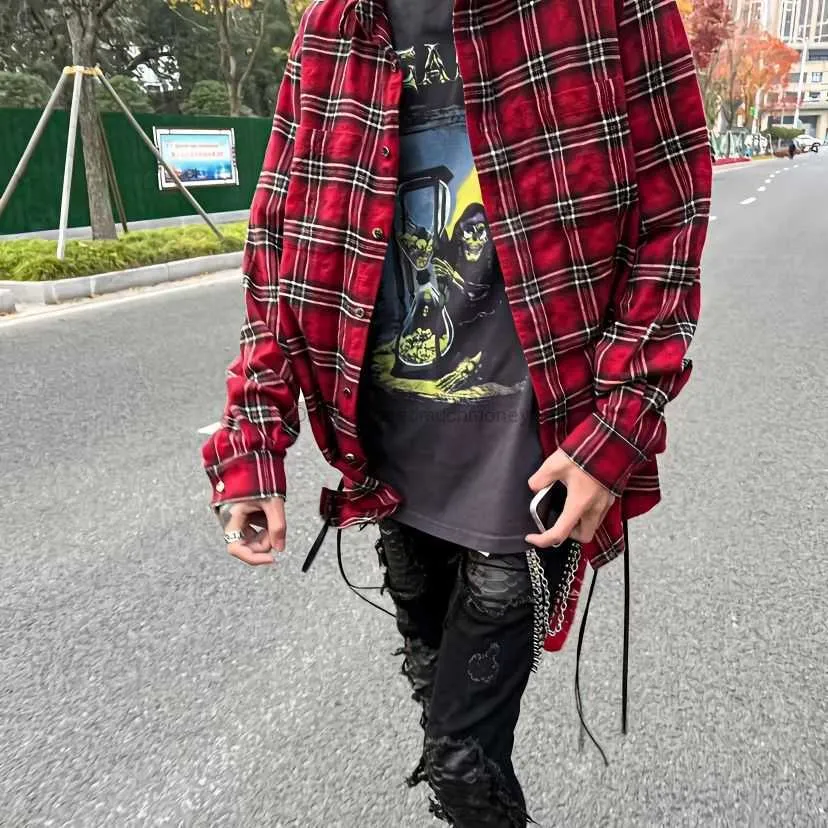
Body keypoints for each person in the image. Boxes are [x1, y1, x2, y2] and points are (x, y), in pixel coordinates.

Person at [202, 0, 711, 824]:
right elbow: (278, 245)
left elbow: (672, 211)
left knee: (462, 760)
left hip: (536, 459)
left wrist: (616, 430)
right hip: (390, 459)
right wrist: (253, 440)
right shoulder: (334, 26)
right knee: (437, 705)